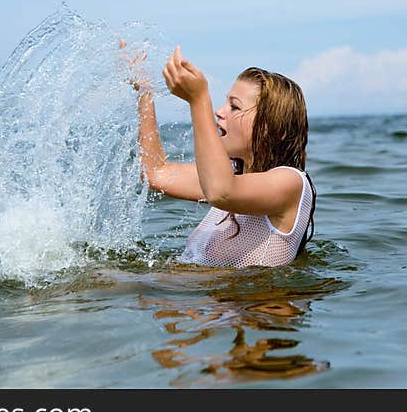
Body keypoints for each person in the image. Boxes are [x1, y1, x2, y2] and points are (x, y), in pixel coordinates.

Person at [124, 43, 316, 268]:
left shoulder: (291, 183)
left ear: (268, 127)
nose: (219, 111)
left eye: (234, 106)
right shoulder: (232, 177)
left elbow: (221, 192)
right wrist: (145, 92)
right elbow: (156, 173)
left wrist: (198, 99)